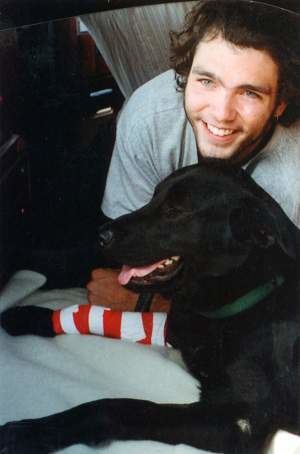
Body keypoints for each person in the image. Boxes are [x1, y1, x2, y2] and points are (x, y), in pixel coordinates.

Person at [87, 0, 300, 311]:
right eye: (206, 81)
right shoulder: (148, 116)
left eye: (250, 92)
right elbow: (125, 250)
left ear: (280, 103)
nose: (222, 114)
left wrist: (150, 302)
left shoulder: (293, 175)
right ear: (186, 74)